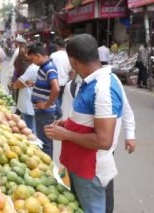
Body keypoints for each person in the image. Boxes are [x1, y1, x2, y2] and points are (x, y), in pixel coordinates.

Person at [45, 34, 124, 213]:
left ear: (73, 61)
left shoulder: (103, 88)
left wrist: (66, 135)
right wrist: (68, 124)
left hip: (91, 171)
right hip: (79, 167)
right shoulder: (89, 82)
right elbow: (90, 120)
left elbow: (104, 140)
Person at [61, 72, 136, 213]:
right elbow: (67, 113)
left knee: (102, 184)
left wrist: (130, 134)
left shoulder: (107, 83)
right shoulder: (70, 87)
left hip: (99, 148)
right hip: (78, 148)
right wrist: (64, 128)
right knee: (80, 194)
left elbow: (125, 108)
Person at [28, 44, 60, 158]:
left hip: (45, 112)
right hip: (41, 112)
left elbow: (56, 88)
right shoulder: (43, 67)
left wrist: (46, 105)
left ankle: (49, 168)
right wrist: (35, 84)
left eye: (33, 59)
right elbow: (48, 85)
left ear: (38, 55)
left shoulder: (49, 67)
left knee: (46, 142)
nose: (33, 62)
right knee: (43, 139)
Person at [12, 45, 39, 133]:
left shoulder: (32, 69)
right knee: (31, 125)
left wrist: (21, 84)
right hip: (30, 102)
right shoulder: (36, 68)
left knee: (29, 128)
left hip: (27, 102)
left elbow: (16, 84)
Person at [50, 38, 72, 119]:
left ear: (57, 46)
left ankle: (59, 113)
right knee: (61, 99)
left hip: (54, 82)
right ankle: (59, 114)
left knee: (55, 99)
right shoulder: (69, 56)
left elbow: (49, 68)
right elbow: (71, 70)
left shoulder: (53, 55)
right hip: (65, 82)